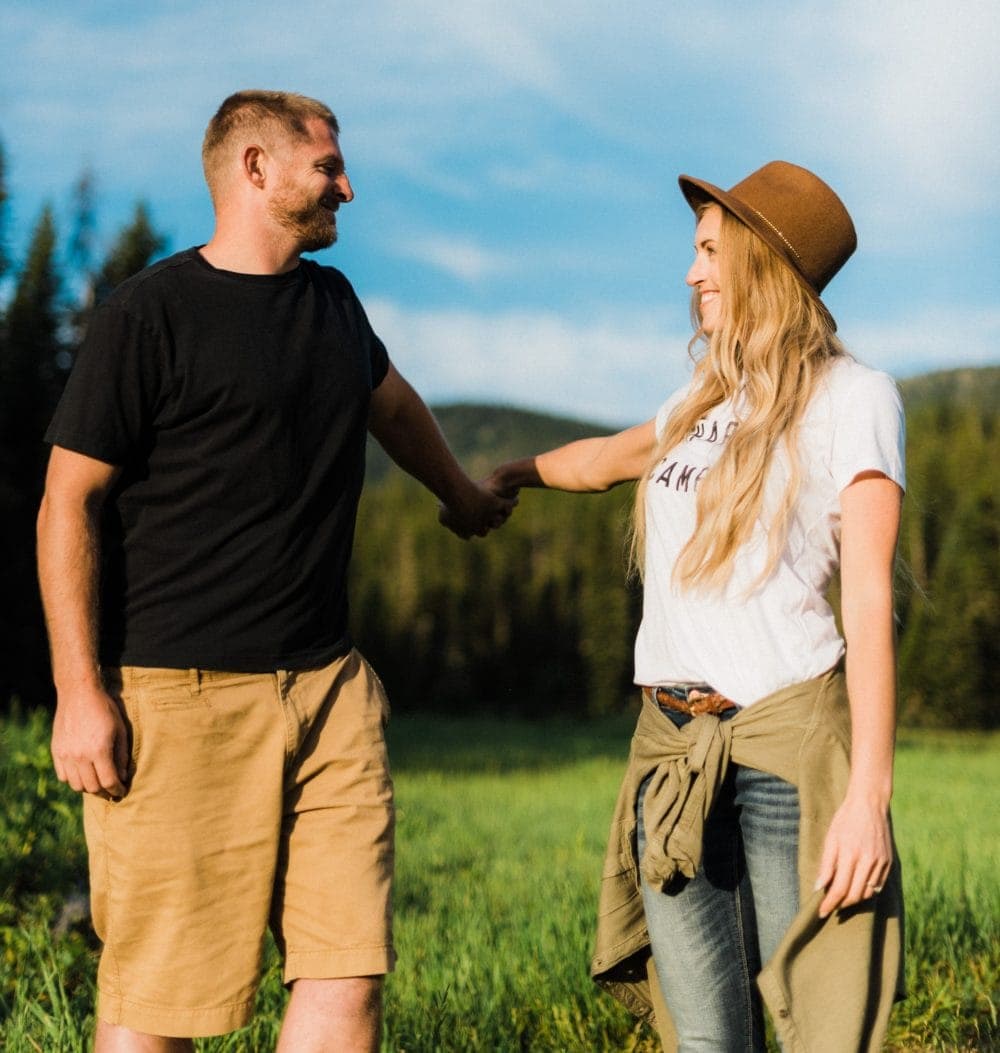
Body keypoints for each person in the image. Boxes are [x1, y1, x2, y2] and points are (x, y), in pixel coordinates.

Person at [36, 89, 514, 1053]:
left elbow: (392, 405)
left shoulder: (333, 304)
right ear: (255, 169)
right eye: (328, 166)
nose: (348, 184)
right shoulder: (150, 315)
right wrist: (79, 690)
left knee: (346, 971)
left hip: (331, 691)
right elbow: (66, 504)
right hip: (181, 698)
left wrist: (459, 494)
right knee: (160, 998)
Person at [486, 161, 905, 1051]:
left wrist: (868, 795)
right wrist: (513, 474)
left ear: (764, 261)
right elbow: (602, 460)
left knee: (814, 1027)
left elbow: (868, 599)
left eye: (710, 250)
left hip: (786, 751)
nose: (692, 272)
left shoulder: (855, 397)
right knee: (708, 1038)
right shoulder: (697, 401)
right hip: (672, 753)